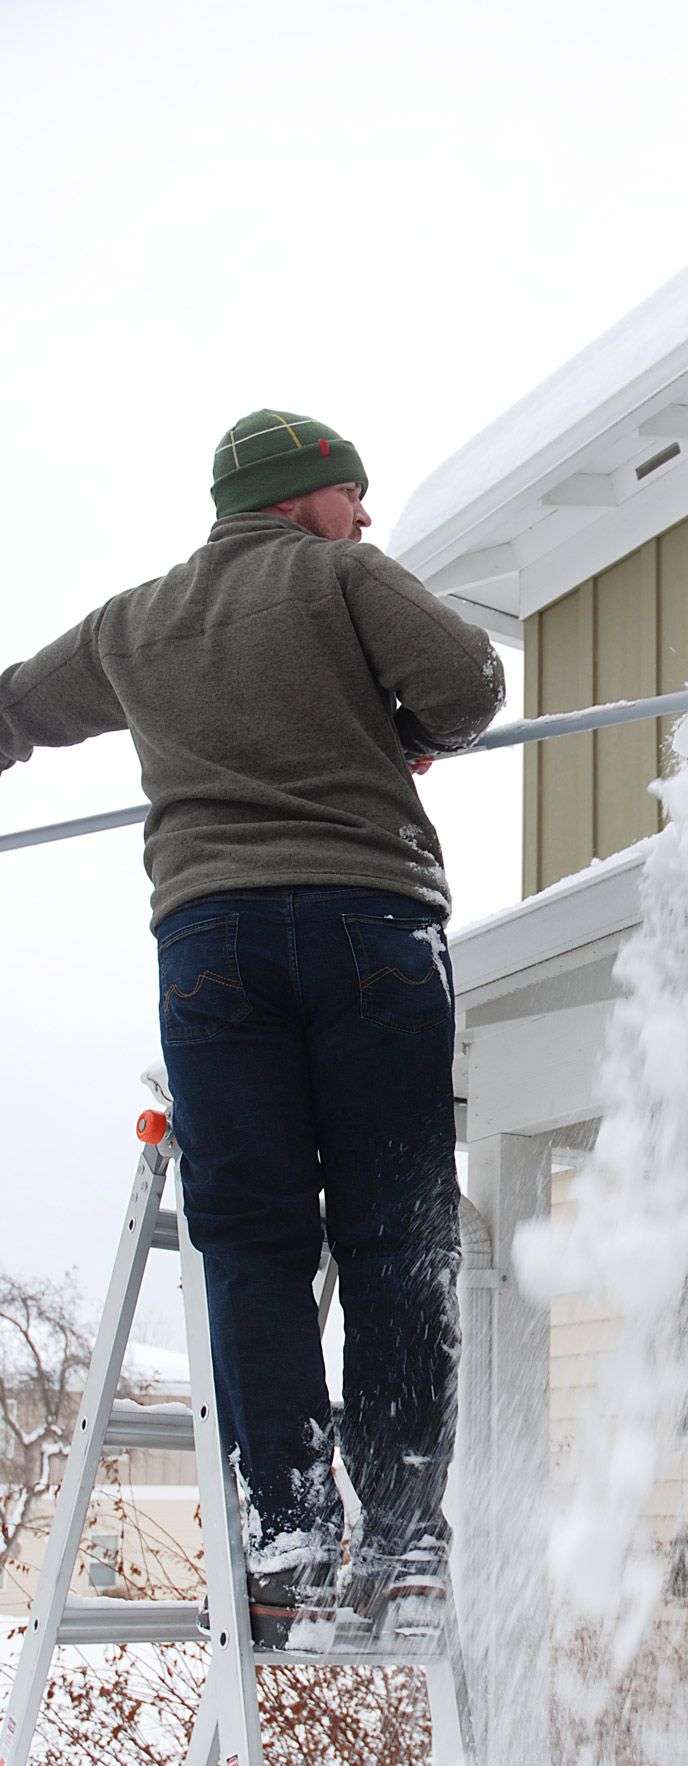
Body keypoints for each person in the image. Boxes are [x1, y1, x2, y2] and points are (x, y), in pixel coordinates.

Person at [0, 409, 504, 1645]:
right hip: (368, 928)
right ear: (298, 503)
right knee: (394, 1235)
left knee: (251, 1239)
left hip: (210, 945)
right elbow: (471, 684)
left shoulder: (133, 622)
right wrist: (409, 737)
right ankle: (401, 1537)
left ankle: (289, 1529)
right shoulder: (341, 575)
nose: (367, 516)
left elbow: (14, 707)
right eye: (353, 495)